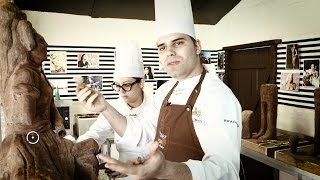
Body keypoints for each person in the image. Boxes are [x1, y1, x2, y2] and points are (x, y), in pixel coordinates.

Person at [76, 0, 242, 179]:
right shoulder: (166, 90)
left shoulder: (218, 97)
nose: (169, 52)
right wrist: (104, 107)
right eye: (162, 47)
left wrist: (165, 170)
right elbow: (141, 132)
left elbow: (226, 172)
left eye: (178, 43)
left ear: (197, 47)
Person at [0, 3, 100, 179]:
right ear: (29, 47)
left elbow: (50, 106)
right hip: (31, 140)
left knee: (90, 147)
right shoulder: (25, 73)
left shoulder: (38, 72)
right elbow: (25, 119)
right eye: (40, 42)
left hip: (45, 136)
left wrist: (58, 123)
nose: (45, 44)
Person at [77, 41, 153, 171]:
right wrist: (75, 148)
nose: (121, 91)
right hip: (123, 171)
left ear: (141, 83)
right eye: (117, 85)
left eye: (127, 85)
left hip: (153, 171)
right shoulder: (114, 106)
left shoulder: (155, 106)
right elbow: (96, 134)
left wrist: (138, 166)